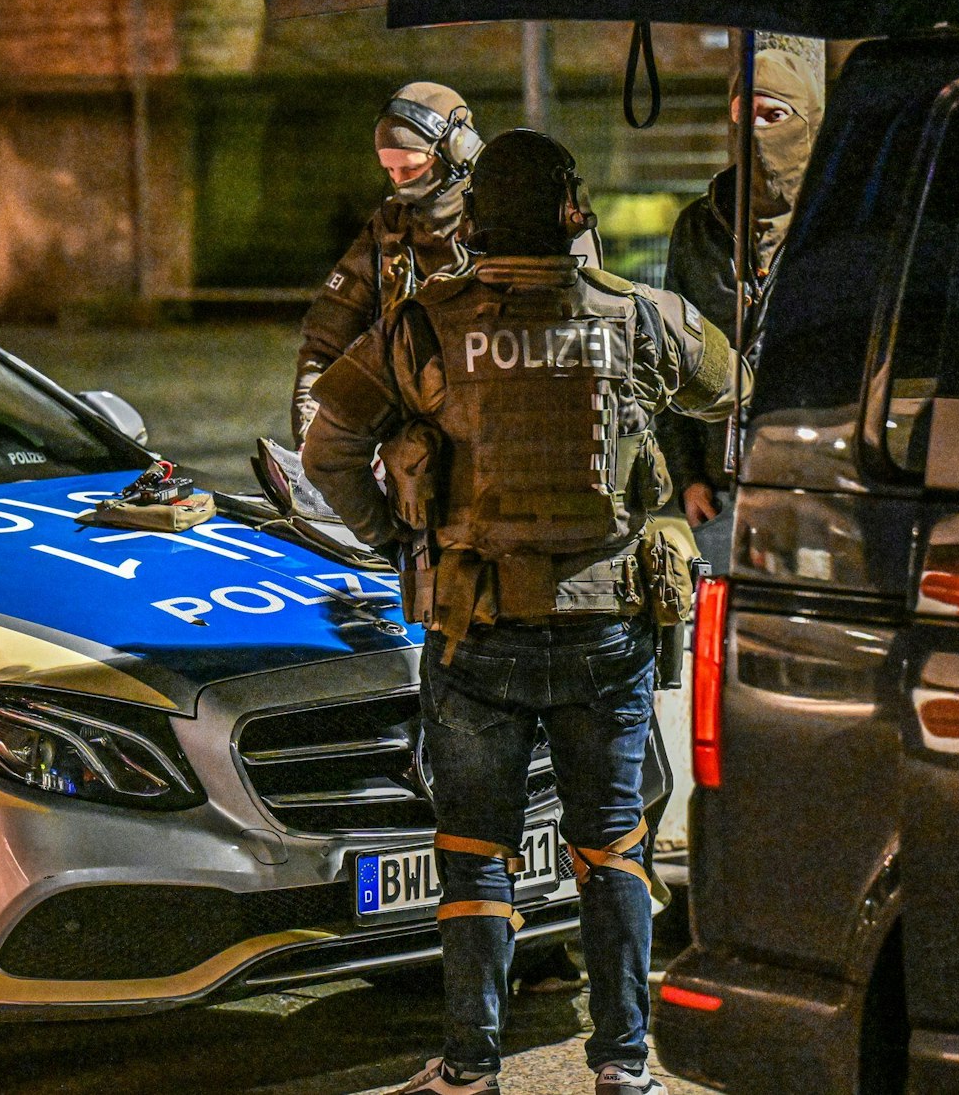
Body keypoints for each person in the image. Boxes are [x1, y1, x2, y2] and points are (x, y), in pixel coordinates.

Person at [303, 130, 740, 1095]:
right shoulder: (640, 316)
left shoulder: (421, 325)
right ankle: (624, 1067)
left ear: (475, 220)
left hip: (476, 628)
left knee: (472, 860)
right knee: (614, 846)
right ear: (571, 212)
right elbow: (731, 388)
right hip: (606, 628)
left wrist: (394, 540)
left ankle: (469, 1070)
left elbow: (326, 449)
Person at [661, 40, 824, 572]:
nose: (754, 132)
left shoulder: (838, 229)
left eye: (773, 116)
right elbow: (669, 359)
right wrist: (688, 478)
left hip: (815, 493)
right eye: (741, 116)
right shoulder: (699, 229)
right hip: (720, 494)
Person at [292, 81, 484, 445]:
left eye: (411, 170)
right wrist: (310, 433)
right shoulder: (391, 229)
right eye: (389, 171)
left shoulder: (505, 224)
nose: (400, 185)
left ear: (457, 153)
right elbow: (324, 345)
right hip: (408, 443)